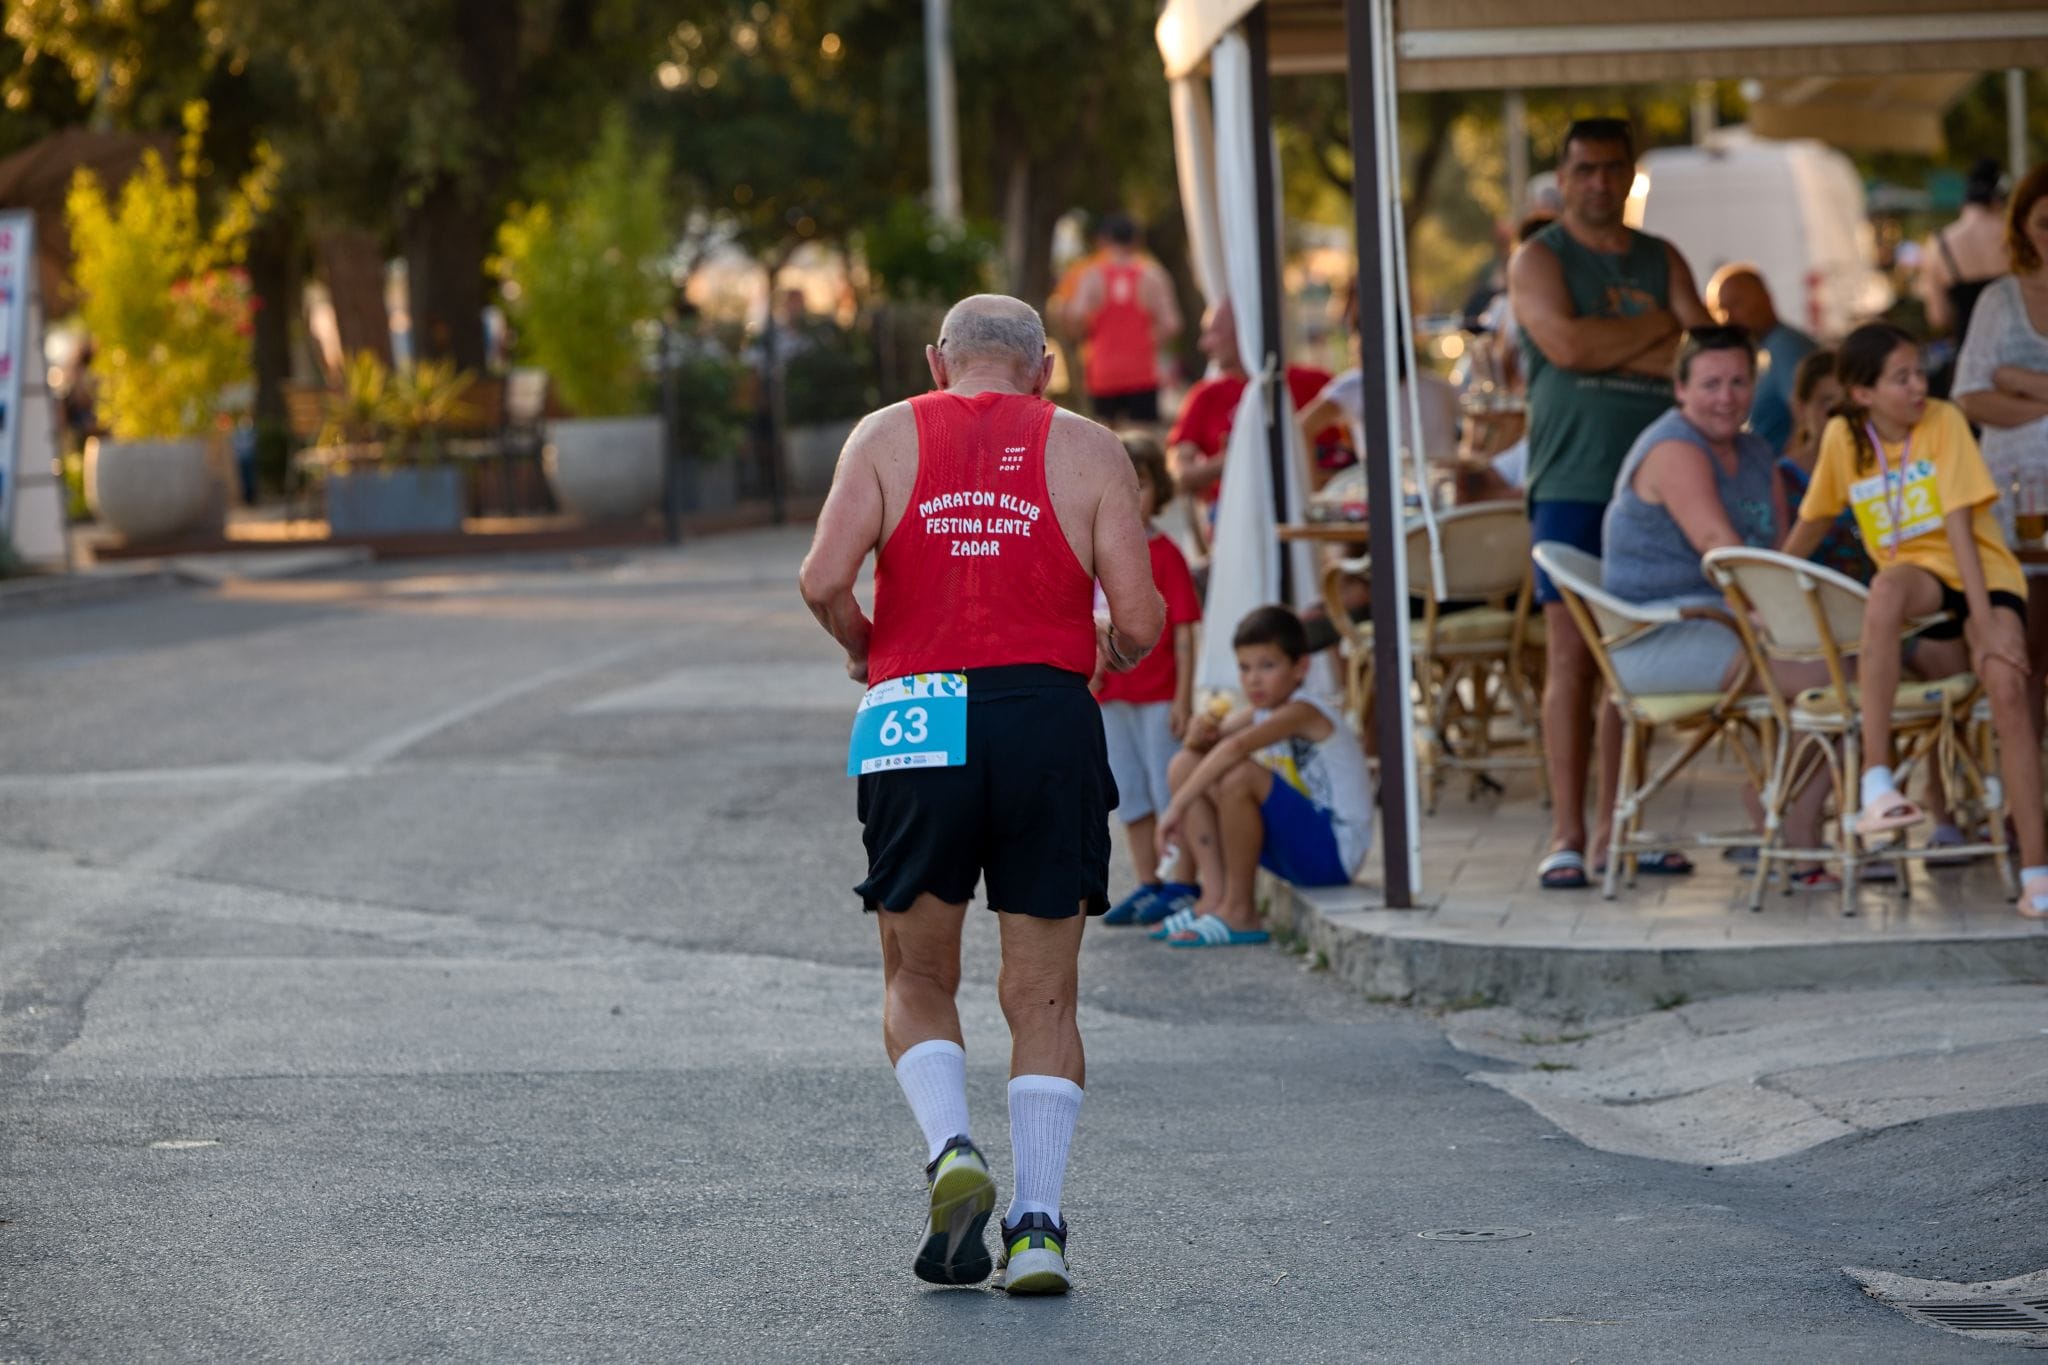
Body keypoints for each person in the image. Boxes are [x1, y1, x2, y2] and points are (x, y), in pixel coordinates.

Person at [796, 294, 1165, 1294]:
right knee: (1041, 992)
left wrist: (866, 647)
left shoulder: (882, 435)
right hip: (1044, 709)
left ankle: (952, 1149)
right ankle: (1038, 1228)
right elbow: (1137, 617)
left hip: (912, 704)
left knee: (915, 975)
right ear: (1042, 367)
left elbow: (823, 574)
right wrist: (1111, 650)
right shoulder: (1089, 448)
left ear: (936, 361)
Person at [1781, 322, 2048, 918]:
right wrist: (1765, 581)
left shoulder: (1944, 422)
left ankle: (2037, 869)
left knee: (2006, 683)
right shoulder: (1842, 442)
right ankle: (1878, 782)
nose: (1918, 386)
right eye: (1901, 378)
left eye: (1920, 372)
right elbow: (1814, 521)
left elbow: (1960, 530)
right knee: (1884, 588)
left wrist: (1989, 630)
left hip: (1981, 573)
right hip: (1916, 581)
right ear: (1863, 394)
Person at [1507, 115, 1712, 890]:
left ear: (1632, 177)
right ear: (1563, 178)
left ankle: (1618, 826)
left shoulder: (1663, 256)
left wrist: (1627, 333)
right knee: (1573, 661)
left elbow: (1704, 352)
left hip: (1659, 484)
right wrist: (1656, 324)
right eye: (1584, 169)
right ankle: (1567, 832)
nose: (1599, 182)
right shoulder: (1539, 258)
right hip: (1569, 483)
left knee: (1637, 659)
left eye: (1612, 168)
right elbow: (1566, 347)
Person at [1595, 327, 1836, 887]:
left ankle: (1787, 811)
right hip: (1659, 636)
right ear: (1680, 390)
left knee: (1855, 667)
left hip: (1729, 627)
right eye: (1709, 384)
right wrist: (1782, 625)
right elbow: (1722, 553)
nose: (1725, 397)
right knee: (1843, 675)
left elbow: (1776, 557)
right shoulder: (1675, 447)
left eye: (1738, 382)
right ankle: (1785, 815)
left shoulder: (1755, 452)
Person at [1150, 604, 1374, 946]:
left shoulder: (1303, 710)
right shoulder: (1262, 710)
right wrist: (1198, 733)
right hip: (1300, 847)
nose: (1253, 679)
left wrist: (1175, 809)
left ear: (1300, 667)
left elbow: (1234, 749)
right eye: (1245, 667)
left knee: (1240, 776)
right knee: (1185, 764)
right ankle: (1214, 898)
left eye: (1267, 666)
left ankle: (1240, 912)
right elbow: (1209, 745)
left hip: (1334, 855)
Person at [1954, 160, 2048, 734]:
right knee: (2029, 645)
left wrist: (2020, 379)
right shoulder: (2000, 300)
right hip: (2020, 506)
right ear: (2024, 225)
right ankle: (2028, 787)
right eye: (2045, 221)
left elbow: (1993, 388)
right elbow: (1970, 395)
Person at [1097, 434, 1205, 927]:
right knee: (1130, 792)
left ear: (1158, 490)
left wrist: (1185, 697)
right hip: (1110, 693)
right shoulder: (1095, 554)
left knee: (1167, 789)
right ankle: (1148, 882)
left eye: (1138, 486)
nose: (1129, 499)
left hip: (1160, 693)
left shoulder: (1167, 554)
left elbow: (1184, 631)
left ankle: (1183, 880)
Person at [1167, 298, 1336, 506]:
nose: (1204, 344)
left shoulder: (1315, 384)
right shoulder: (1205, 396)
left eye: (1214, 332)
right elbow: (1179, 474)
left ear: (1244, 331)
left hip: (1318, 511)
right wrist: (1231, 461)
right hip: (1234, 513)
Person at [1061, 214, 1181, 425]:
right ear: (1136, 241)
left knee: (1104, 443)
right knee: (1143, 443)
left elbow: (1075, 316)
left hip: (1103, 373)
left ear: (1103, 240)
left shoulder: (1092, 276)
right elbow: (1172, 324)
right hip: (1142, 374)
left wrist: (1086, 336)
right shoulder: (1152, 275)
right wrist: (1144, 343)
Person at [1775, 349, 1873, 583]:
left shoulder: (1876, 467)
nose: (1840, 418)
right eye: (1828, 406)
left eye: (1849, 406)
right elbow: (1778, 559)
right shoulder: (1781, 480)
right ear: (1800, 409)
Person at [1706, 264, 1817, 452]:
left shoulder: (1784, 347)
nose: (1728, 317)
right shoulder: (1760, 352)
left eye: (1736, 304)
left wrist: (1786, 473)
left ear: (1765, 298)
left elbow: (1809, 419)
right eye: (1720, 310)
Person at [1919, 158, 2011, 346]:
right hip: (2017, 350)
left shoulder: (1939, 244)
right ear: (1997, 200)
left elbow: (1938, 317)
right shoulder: (2015, 237)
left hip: (1969, 351)